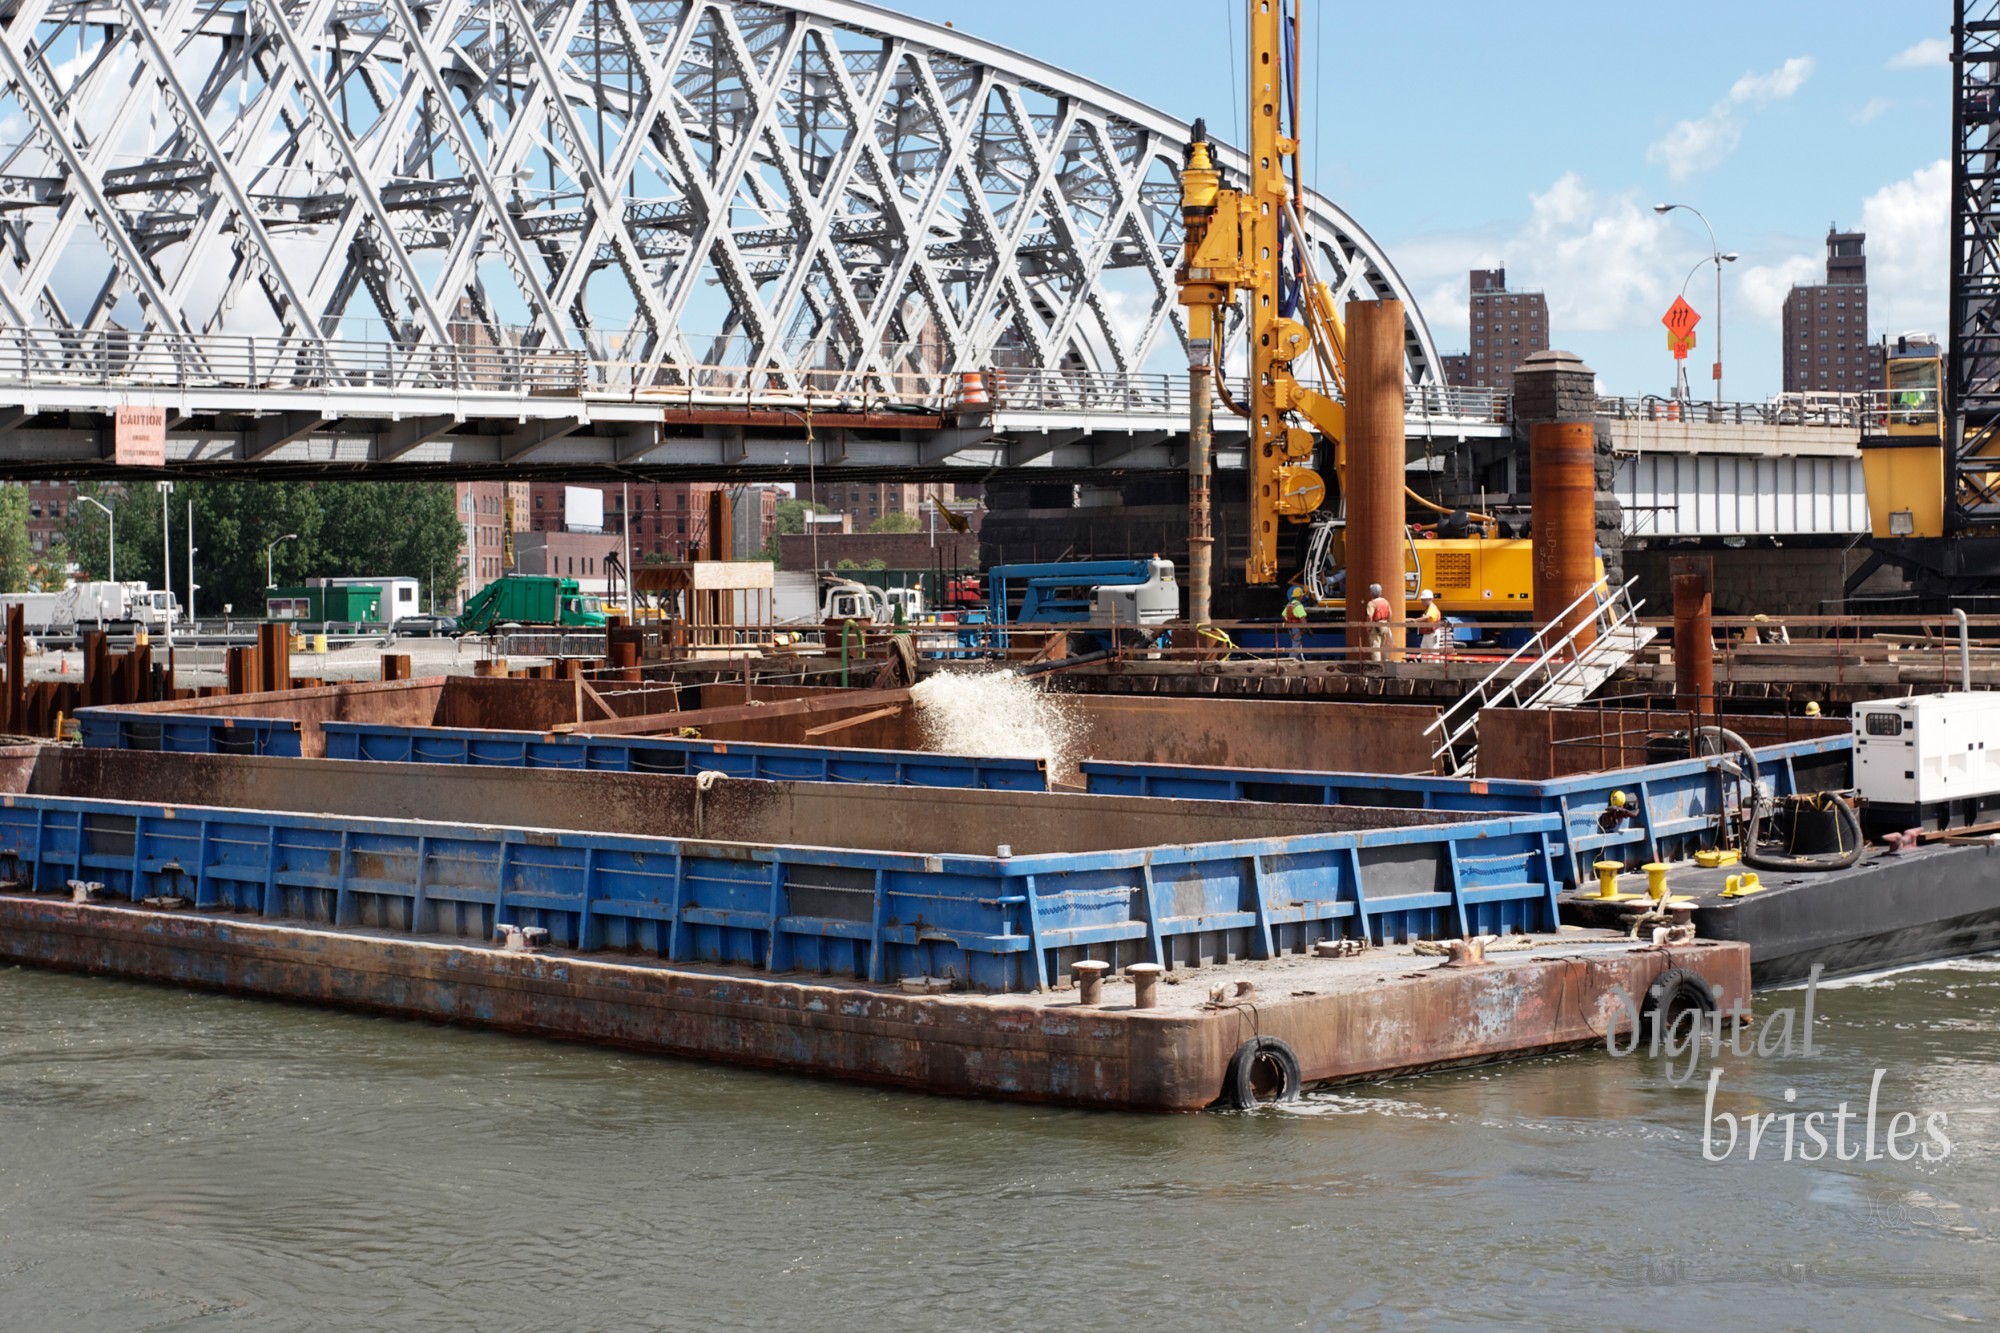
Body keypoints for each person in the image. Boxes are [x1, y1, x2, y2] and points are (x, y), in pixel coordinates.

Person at [1364, 582, 1393, 663]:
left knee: (1375, 647)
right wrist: (1388, 624)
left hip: (1375, 626)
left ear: (1372, 593)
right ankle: (1387, 666)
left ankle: (1377, 668)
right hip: (1385, 625)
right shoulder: (1385, 601)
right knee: (1384, 647)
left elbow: (1370, 616)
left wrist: (1369, 627)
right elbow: (1390, 614)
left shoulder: (1371, 603)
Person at [1417, 589, 1446, 656]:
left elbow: (1427, 617)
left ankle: (1435, 666)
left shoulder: (1432, 608)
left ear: (1429, 599)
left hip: (1432, 633)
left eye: (1423, 599)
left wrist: (1415, 620)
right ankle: (1425, 665)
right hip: (1427, 633)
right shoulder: (1428, 608)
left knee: (1433, 653)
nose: (1422, 601)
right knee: (1424, 651)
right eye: (1422, 599)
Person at [1282, 586, 1308, 659]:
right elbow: (1303, 619)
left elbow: (1283, 615)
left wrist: (1288, 623)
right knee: (1296, 645)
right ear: (1299, 596)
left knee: (1297, 644)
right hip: (1297, 628)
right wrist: (1305, 629)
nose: (1302, 597)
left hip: (1291, 628)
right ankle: (1290, 661)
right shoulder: (1299, 606)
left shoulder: (1289, 604)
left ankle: (1300, 661)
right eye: (1302, 596)